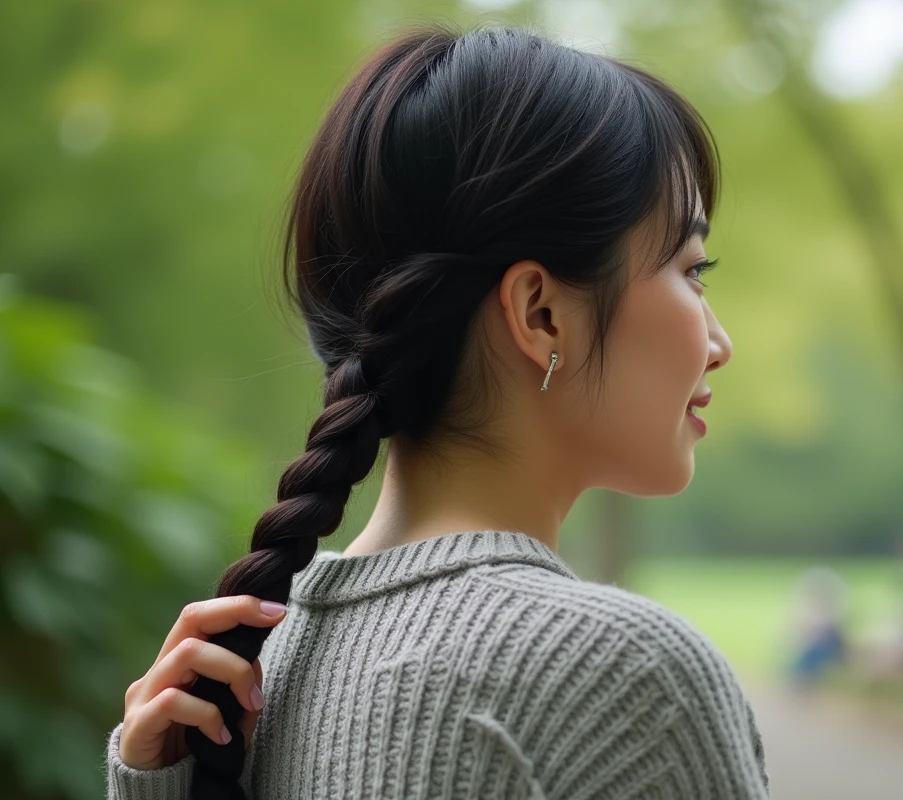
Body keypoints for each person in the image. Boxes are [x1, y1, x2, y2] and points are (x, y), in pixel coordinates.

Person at [103, 23, 770, 800]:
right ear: (541, 314)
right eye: (692, 270)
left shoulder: (251, 670)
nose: (719, 343)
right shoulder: (625, 681)